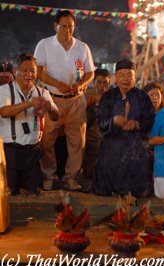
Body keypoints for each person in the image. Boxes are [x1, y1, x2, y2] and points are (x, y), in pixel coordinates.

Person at [34, 10, 95, 191]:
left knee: (77, 142)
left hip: (76, 100)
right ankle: (49, 176)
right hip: (52, 99)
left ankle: (71, 177)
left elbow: (90, 72)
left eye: (71, 26)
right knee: (47, 139)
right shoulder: (44, 44)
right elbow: (38, 70)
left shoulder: (82, 47)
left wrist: (81, 84)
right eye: (63, 26)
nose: (67, 30)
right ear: (55, 26)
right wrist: (57, 84)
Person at [93, 59, 154, 197]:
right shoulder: (108, 97)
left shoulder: (142, 97)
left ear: (135, 77)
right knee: (109, 157)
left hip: (135, 141)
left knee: (137, 156)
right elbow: (100, 121)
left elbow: (150, 119)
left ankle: (134, 192)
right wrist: (113, 121)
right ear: (116, 76)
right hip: (113, 140)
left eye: (129, 75)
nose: (126, 79)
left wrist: (136, 124)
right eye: (122, 75)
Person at [0, 54, 58, 195]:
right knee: (9, 194)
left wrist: (49, 107)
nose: (29, 74)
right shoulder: (4, 90)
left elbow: (56, 116)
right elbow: (4, 112)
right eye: (25, 70)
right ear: (16, 71)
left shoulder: (42, 92)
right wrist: (30, 103)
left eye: (32, 71)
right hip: (10, 152)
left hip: (32, 153)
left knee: (33, 195)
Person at [80, 68, 110, 192]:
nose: (102, 86)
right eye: (99, 82)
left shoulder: (112, 97)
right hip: (89, 136)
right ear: (93, 82)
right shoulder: (87, 96)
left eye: (105, 83)